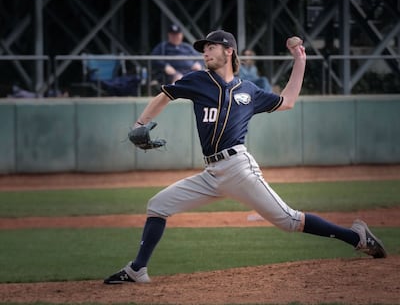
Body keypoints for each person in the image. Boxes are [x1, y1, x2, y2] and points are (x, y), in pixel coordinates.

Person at [104, 30, 387, 284]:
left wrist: (299, 61)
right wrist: (139, 124)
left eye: (211, 47)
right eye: (203, 48)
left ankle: (357, 236)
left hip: (239, 167)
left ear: (229, 51)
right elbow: (164, 94)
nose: (205, 52)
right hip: (211, 173)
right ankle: (137, 269)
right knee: (158, 205)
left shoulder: (249, 91)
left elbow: (287, 101)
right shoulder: (197, 80)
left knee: (289, 221)